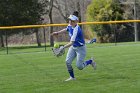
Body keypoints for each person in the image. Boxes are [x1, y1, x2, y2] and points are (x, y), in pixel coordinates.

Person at [52, 13, 96, 81]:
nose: (70, 21)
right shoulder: (70, 25)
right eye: (69, 20)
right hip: (73, 47)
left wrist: (62, 47)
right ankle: (72, 77)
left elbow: (71, 42)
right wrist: (58, 32)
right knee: (67, 62)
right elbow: (66, 29)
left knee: (79, 66)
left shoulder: (76, 30)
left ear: (76, 21)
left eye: (72, 20)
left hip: (81, 49)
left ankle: (90, 61)